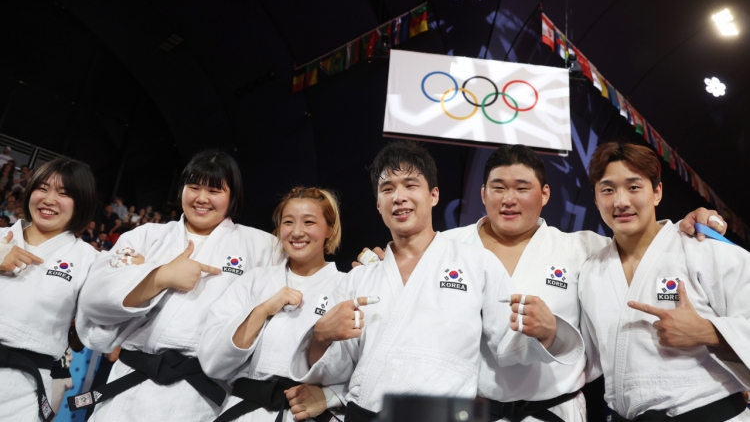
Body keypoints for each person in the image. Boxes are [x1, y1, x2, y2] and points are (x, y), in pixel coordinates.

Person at [357, 144, 727, 422]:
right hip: (471, 412)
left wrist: (690, 222)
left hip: (555, 411)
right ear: (483, 194)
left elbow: (643, 241)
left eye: (523, 187)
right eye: (498, 188)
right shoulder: (444, 247)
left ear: (545, 195)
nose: (509, 199)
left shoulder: (583, 248)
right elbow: (399, 268)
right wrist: (377, 260)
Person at [291, 141, 584, 421]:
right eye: (387, 188)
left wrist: (547, 333)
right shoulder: (360, 276)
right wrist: (320, 336)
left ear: (433, 195)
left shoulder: (476, 262)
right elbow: (336, 369)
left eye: (410, 185)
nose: (399, 197)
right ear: (378, 205)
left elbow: (510, 347)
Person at [73, 150, 285, 421]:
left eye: (214, 190)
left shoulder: (262, 247)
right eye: (193, 187)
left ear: (233, 196)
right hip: (129, 387)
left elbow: (303, 282)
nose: (201, 198)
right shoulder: (147, 236)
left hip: (199, 397)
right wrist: (159, 276)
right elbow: (94, 299)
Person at [579, 142, 750, 421]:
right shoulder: (591, 273)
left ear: (657, 192)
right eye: (608, 190)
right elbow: (588, 358)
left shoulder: (701, 248)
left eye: (634, 187)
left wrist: (708, 332)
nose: (621, 201)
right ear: (596, 199)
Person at [199, 187, 347, 422]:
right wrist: (263, 310)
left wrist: (329, 395)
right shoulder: (255, 280)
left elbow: (359, 366)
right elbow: (213, 360)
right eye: (288, 222)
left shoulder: (347, 286)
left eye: (309, 222)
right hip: (245, 411)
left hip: (305, 413)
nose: (297, 232)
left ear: (329, 228)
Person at [0, 158, 99, 422]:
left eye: (64, 193)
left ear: (82, 202)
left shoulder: (90, 261)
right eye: (42, 188)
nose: (49, 199)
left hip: (21, 389)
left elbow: (90, 336)